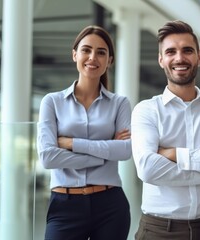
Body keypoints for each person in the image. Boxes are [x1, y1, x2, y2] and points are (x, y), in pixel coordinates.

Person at [131, 20, 200, 240]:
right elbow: (147, 168)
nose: (179, 58)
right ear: (161, 59)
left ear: (199, 57)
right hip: (159, 231)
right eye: (171, 51)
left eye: (187, 50)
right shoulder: (146, 110)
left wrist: (175, 154)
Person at [36, 25, 132, 240]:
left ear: (110, 60)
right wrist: (104, 153)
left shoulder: (120, 104)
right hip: (64, 205)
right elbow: (48, 157)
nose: (92, 57)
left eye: (101, 52)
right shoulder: (52, 102)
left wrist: (72, 143)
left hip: (110, 205)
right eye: (86, 50)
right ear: (74, 55)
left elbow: (125, 150)